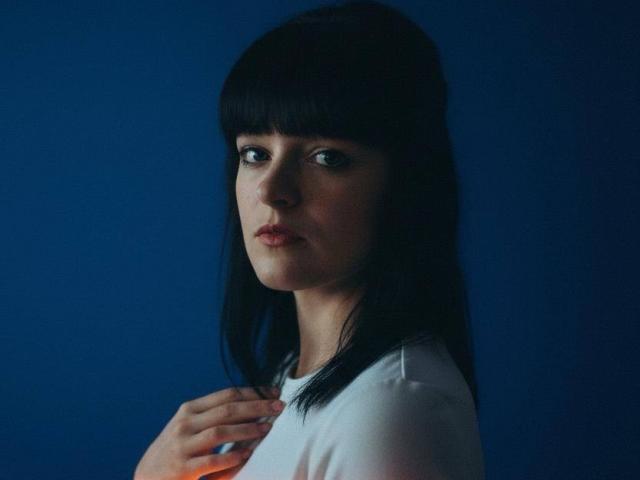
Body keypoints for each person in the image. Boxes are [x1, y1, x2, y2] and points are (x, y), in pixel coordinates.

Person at [134, 1, 485, 479]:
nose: (271, 190)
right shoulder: (295, 378)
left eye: (327, 158)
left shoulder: (389, 410)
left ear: (405, 183)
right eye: (255, 153)